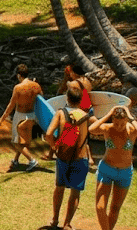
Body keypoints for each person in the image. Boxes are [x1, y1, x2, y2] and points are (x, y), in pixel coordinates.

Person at [46, 84, 90, 230]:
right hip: (80, 157)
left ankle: (54, 220)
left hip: (63, 156)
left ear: (67, 98)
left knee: (59, 188)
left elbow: (48, 134)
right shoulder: (86, 115)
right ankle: (67, 224)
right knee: (75, 192)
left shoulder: (60, 113)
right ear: (80, 100)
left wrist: (54, 146)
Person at [91, 106, 137, 230]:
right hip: (107, 170)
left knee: (115, 208)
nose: (119, 127)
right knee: (100, 207)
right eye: (116, 123)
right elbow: (92, 129)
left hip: (125, 173)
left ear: (127, 120)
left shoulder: (132, 130)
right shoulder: (108, 128)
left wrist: (128, 112)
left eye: (122, 124)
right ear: (112, 120)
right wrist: (108, 113)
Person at [0, 64, 43, 172]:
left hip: (20, 116)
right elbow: (41, 99)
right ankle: (15, 160)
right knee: (24, 141)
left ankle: (32, 160)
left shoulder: (18, 87)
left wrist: (3, 117)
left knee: (16, 142)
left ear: (19, 75)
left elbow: (11, 104)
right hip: (32, 115)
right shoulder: (36, 85)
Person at [59, 64, 95, 165]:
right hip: (89, 108)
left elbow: (65, 93)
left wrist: (66, 80)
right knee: (86, 134)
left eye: (70, 73)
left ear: (74, 73)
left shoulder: (73, 84)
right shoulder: (87, 81)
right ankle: (90, 158)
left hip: (80, 110)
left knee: (78, 134)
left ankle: (86, 156)